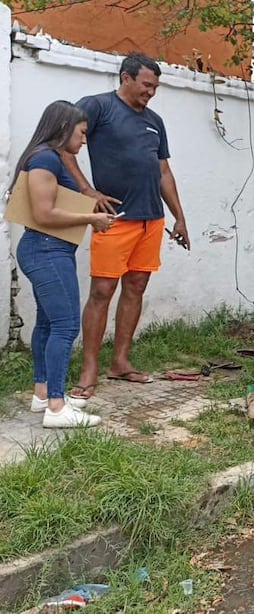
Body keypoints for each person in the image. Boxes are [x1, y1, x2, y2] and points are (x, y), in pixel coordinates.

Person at [61, 52, 190, 400]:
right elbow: (63, 143)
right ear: (126, 77)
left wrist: (179, 216)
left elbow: (163, 171)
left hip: (151, 220)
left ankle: (120, 361)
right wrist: (88, 191)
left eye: (155, 87)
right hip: (115, 219)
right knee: (102, 292)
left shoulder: (154, 121)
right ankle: (89, 368)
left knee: (135, 288)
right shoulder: (98, 106)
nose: (151, 92)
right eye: (147, 85)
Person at [12, 101, 115, 427]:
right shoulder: (44, 157)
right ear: (63, 128)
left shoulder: (48, 157)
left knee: (47, 323)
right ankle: (57, 407)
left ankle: (43, 394)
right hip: (46, 250)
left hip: (50, 250)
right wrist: (91, 217)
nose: (84, 140)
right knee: (66, 325)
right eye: (82, 133)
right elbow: (44, 214)